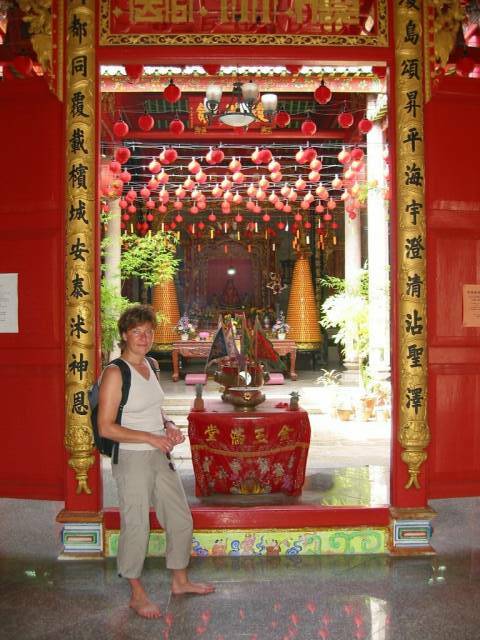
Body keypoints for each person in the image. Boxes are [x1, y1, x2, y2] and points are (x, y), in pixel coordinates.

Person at [98, 304, 214, 619]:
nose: (144, 337)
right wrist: (150, 438)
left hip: (158, 452)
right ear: (124, 335)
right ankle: (136, 593)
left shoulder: (150, 364)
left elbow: (154, 410)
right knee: (136, 524)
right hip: (132, 457)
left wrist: (169, 426)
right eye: (137, 331)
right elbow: (106, 426)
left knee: (179, 517)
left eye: (149, 331)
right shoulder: (115, 372)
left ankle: (180, 581)